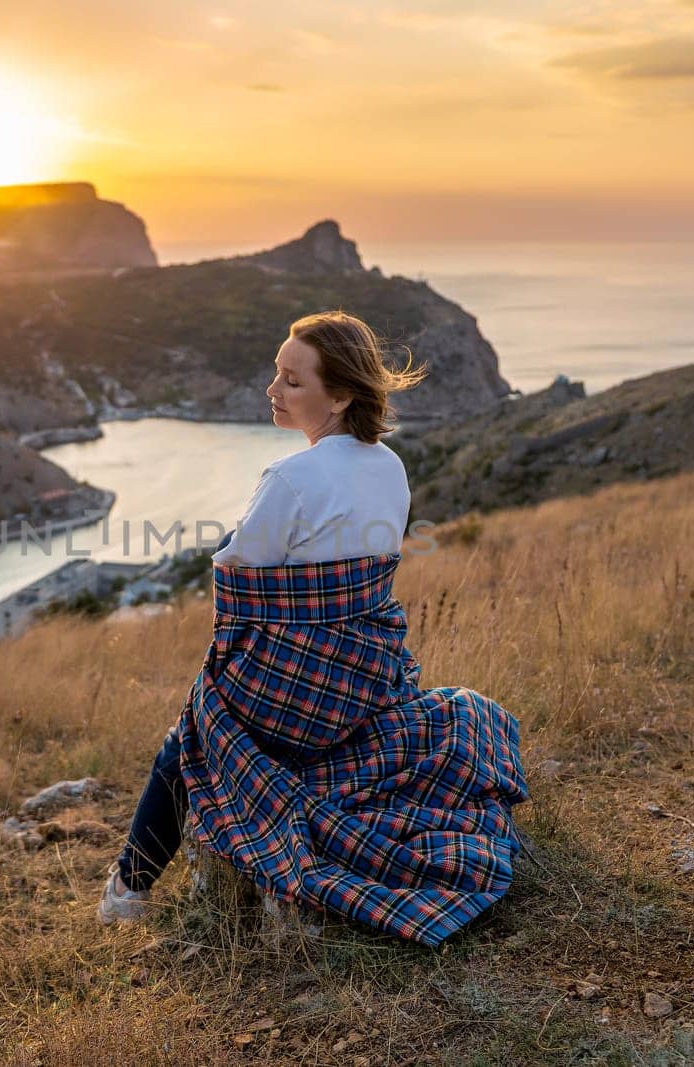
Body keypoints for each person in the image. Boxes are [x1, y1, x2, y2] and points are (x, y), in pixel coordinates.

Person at [98, 310, 528, 947]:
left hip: (289, 689)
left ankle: (127, 892)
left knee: (189, 734)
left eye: (292, 382)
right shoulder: (390, 466)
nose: (273, 390)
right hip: (369, 675)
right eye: (277, 374)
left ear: (343, 395)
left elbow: (237, 577)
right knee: (214, 727)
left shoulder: (290, 479)